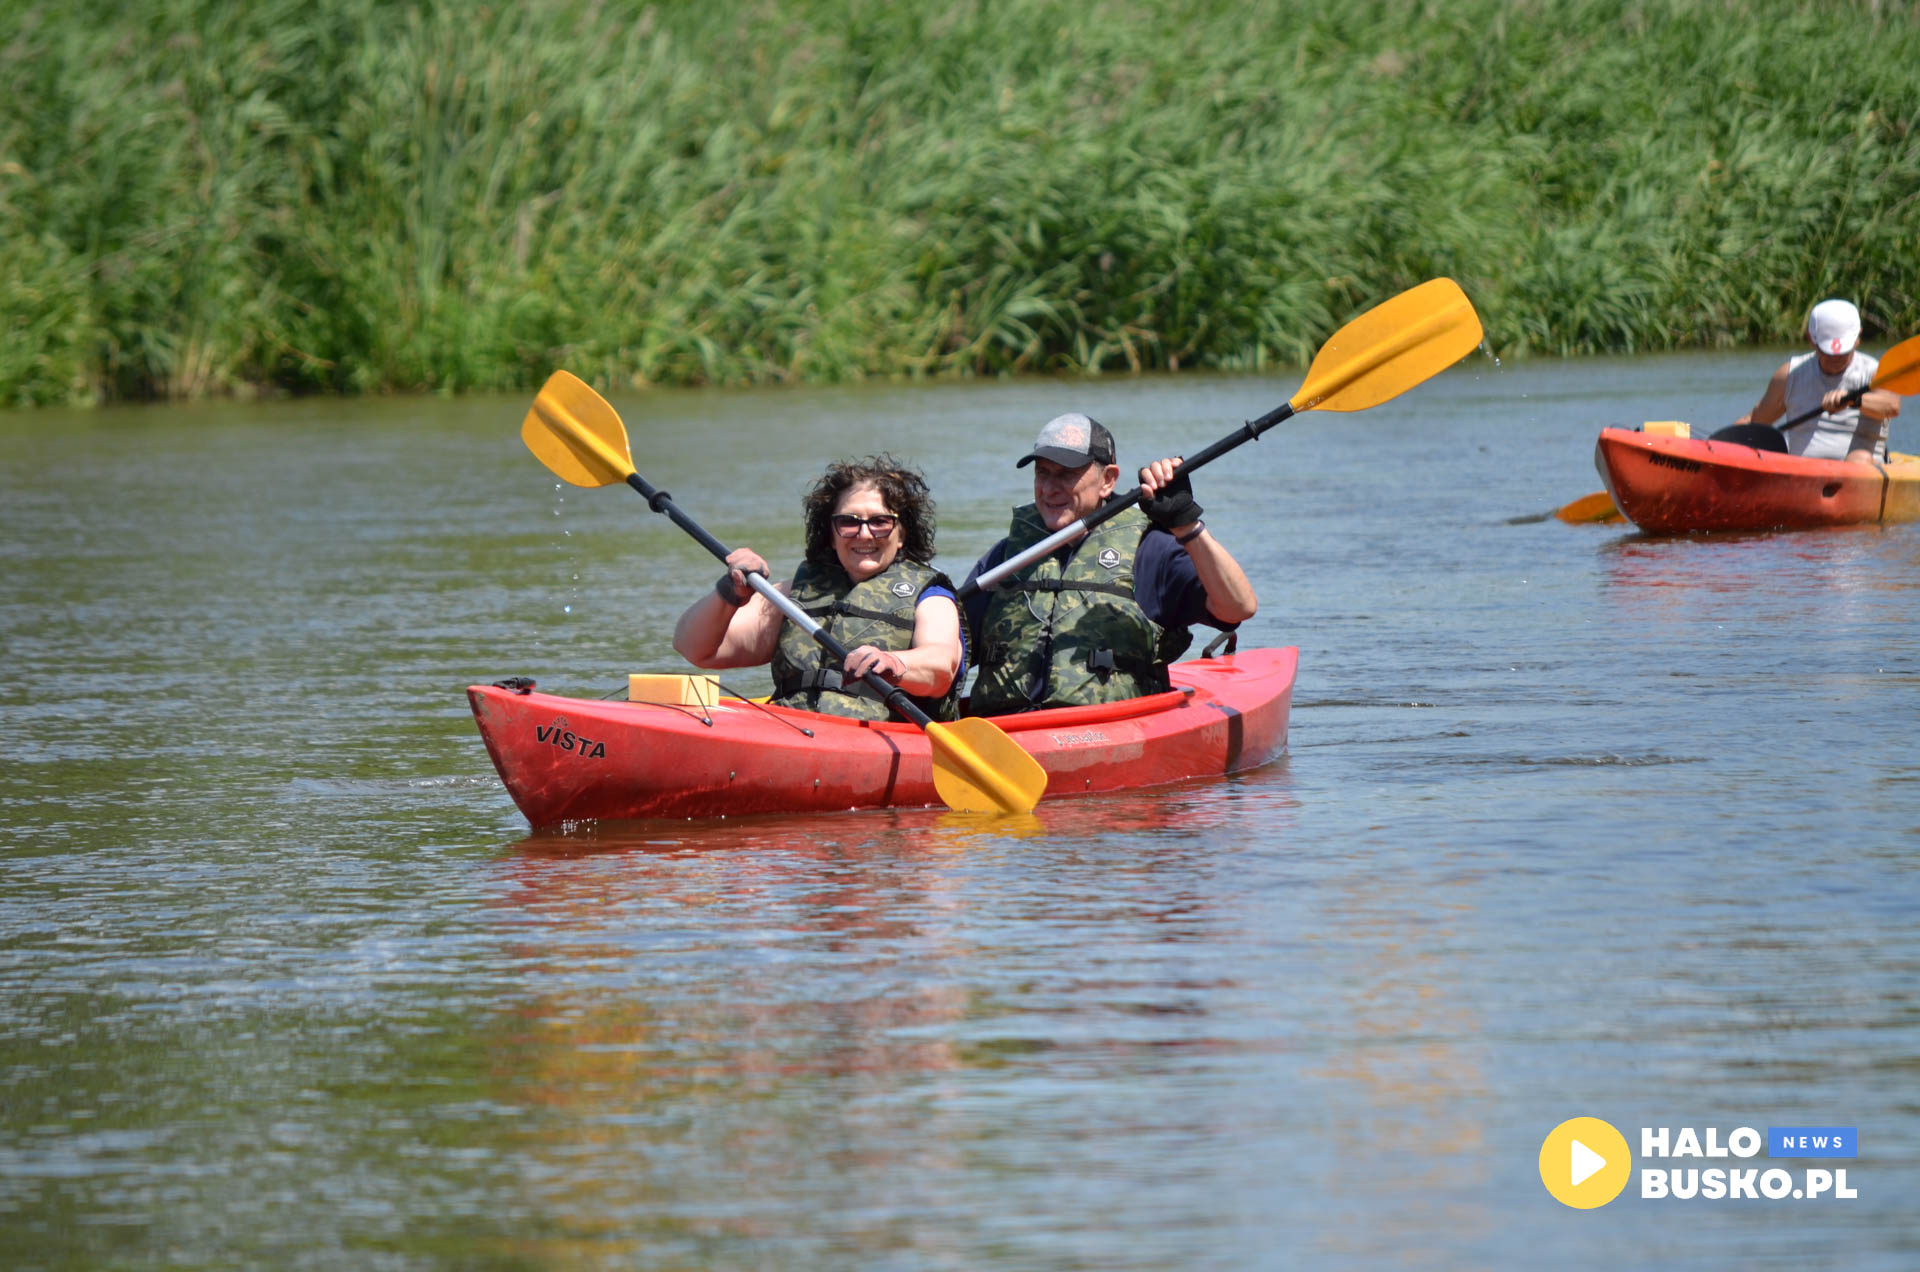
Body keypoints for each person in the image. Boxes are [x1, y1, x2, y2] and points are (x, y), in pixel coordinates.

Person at [961, 413, 1258, 716]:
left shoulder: (1150, 550)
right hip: (1002, 734)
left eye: (1065, 474)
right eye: (1043, 473)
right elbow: (951, 647)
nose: (1049, 488)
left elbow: (1238, 608)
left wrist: (1187, 526)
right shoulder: (1007, 557)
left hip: (1110, 729)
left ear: (1108, 480)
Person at [672, 456, 964, 720]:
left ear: (901, 534)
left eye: (880, 522)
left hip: (883, 736)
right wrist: (729, 593)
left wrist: (892, 662)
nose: (864, 534)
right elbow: (695, 649)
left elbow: (941, 668)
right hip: (792, 726)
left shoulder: (931, 598)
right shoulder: (790, 598)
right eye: (848, 522)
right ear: (831, 534)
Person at [1732, 298, 1902, 463]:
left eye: (1843, 352)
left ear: (1858, 338)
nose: (1836, 358)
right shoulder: (1789, 375)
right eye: (1828, 352)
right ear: (1811, 340)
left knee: (1858, 460)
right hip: (1802, 475)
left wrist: (1852, 400)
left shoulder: (1876, 372)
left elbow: (1892, 407)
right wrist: (1714, 445)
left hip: (1864, 472)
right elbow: (1756, 420)